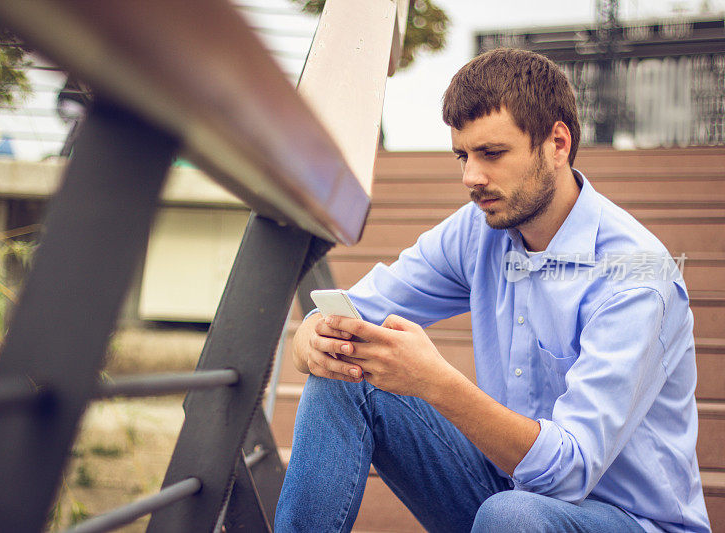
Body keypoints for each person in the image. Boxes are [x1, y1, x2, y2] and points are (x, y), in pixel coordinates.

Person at [274, 48, 711, 533]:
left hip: (628, 520)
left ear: (557, 143)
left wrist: (436, 383)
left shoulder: (636, 276)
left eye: (492, 154)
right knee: (344, 374)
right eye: (463, 155)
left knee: (512, 516)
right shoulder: (479, 230)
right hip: (505, 499)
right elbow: (355, 311)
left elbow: (569, 472)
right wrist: (311, 339)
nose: (470, 177)